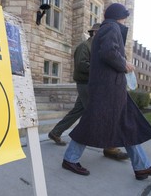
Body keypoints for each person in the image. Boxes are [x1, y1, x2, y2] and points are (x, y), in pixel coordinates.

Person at [62, 3, 151, 180]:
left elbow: (108, 52)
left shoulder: (108, 28)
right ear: (119, 15)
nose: (126, 19)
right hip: (107, 89)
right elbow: (109, 52)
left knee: (127, 125)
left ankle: (142, 167)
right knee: (93, 123)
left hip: (110, 88)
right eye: (125, 15)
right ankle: (70, 159)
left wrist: (121, 63)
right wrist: (124, 64)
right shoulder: (112, 27)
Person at [48, 23, 129, 160]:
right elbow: (81, 65)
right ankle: (109, 147)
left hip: (92, 84)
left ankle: (55, 132)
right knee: (97, 114)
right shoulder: (84, 46)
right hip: (86, 85)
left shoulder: (96, 47)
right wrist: (101, 68)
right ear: (95, 33)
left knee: (77, 111)